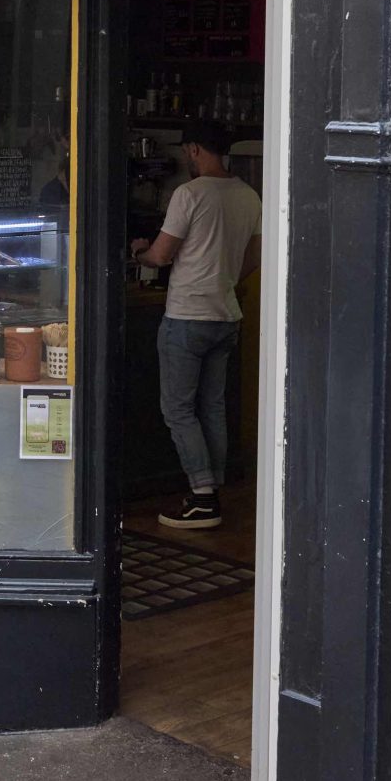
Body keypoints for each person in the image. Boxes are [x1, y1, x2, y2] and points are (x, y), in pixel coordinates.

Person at [129, 121, 262, 530]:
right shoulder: (248, 195)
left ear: (195, 150)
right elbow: (254, 256)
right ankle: (214, 488)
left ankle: (202, 496)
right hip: (226, 315)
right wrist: (222, 280)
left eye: (188, 152)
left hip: (188, 315)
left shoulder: (189, 194)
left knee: (178, 409)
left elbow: (163, 255)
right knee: (212, 407)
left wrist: (141, 253)